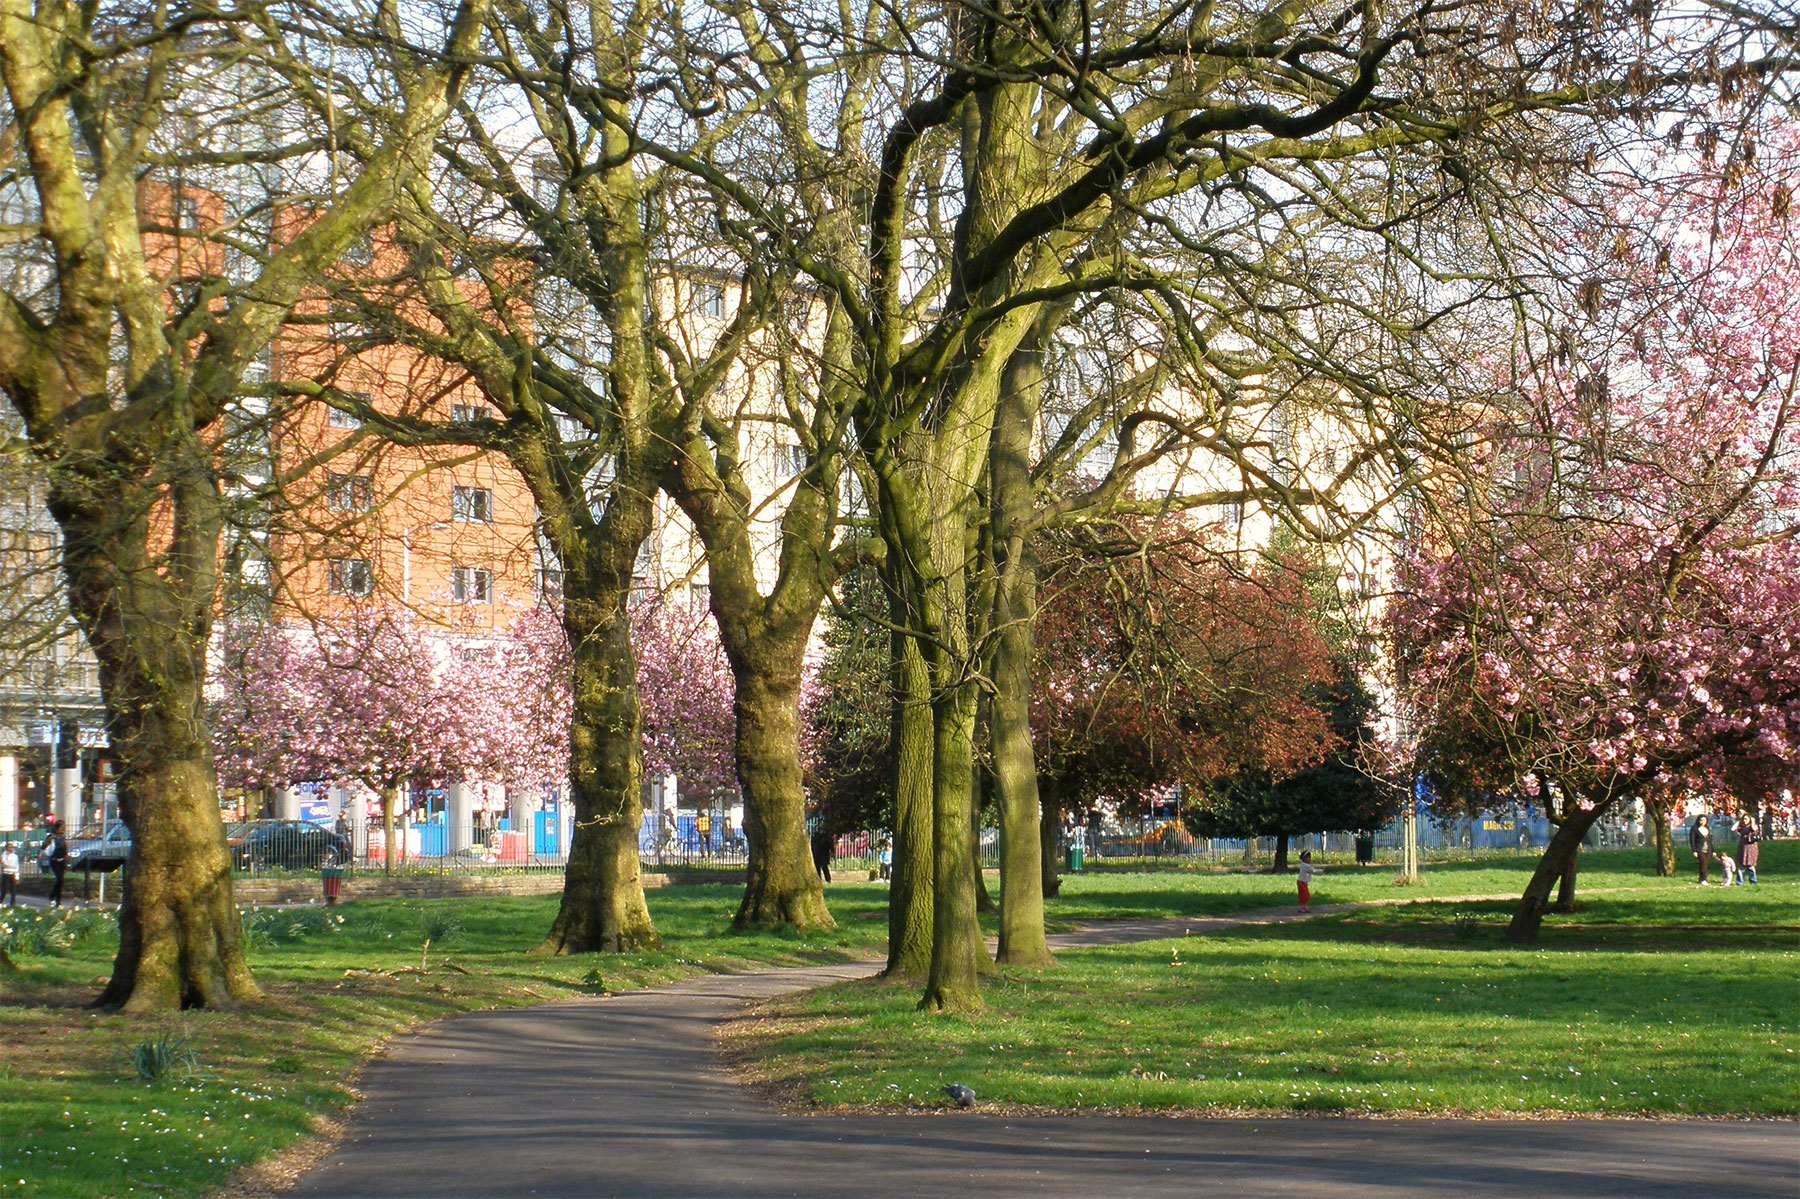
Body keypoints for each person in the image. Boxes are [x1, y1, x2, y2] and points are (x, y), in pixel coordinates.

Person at [40, 816, 68, 909]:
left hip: (62, 860)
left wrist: (66, 860)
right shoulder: (51, 836)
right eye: (63, 826)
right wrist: (48, 841)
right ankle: (53, 897)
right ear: (59, 827)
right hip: (54, 860)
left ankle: (57, 900)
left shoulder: (62, 836)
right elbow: (43, 847)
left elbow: (65, 848)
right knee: (59, 878)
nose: (64, 827)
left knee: (61, 881)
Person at [1736, 810, 1761, 885]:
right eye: (1744, 819)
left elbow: (1753, 829)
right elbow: (1733, 829)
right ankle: (1740, 882)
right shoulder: (1742, 827)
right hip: (1743, 847)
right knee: (1740, 865)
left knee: (1751, 865)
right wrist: (1739, 821)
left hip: (1751, 847)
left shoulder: (1753, 826)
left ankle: (1753, 881)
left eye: (1746, 819)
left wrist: (1752, 821)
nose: (1745, 820)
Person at [1688, 812, 1713, 885]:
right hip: (1699, 849)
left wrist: (1713, 851)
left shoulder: (1707, 828)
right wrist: (1694, 851)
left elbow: (1710, 840)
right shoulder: (1694, 828)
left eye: (1704, 820)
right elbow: (1692, 840)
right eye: (1701, 820)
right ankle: (1703, 879)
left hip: (1707, 849)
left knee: (1705, 864)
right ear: (1698, 820)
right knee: (1703, 863)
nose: (1702, 822)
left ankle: (1701, 878)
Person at [1296, 849, 1318, 914]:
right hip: (1302, 882)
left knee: (1306, 895)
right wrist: (1321, 870)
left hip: (1303, 882)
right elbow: (1313, 870)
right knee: (1304, 895)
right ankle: (1301, 907)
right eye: (1309, 857)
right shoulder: (1305, 866)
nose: (1310, 859)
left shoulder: (1303, 865)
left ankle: (1304, 906)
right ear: (1304, 858)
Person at [1, 841, 19, 906]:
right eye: (9, 847)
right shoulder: (4, 855)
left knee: (13, 889)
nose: (11, 849)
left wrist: (17, 877)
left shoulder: (15, 856)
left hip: (13, 873)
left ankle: (12, 904)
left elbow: (17, 866)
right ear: (6, 848)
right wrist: (10, 865)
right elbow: (4, 863)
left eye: (12, 847)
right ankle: (1, 901)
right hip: (6, 873)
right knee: (4, 889)